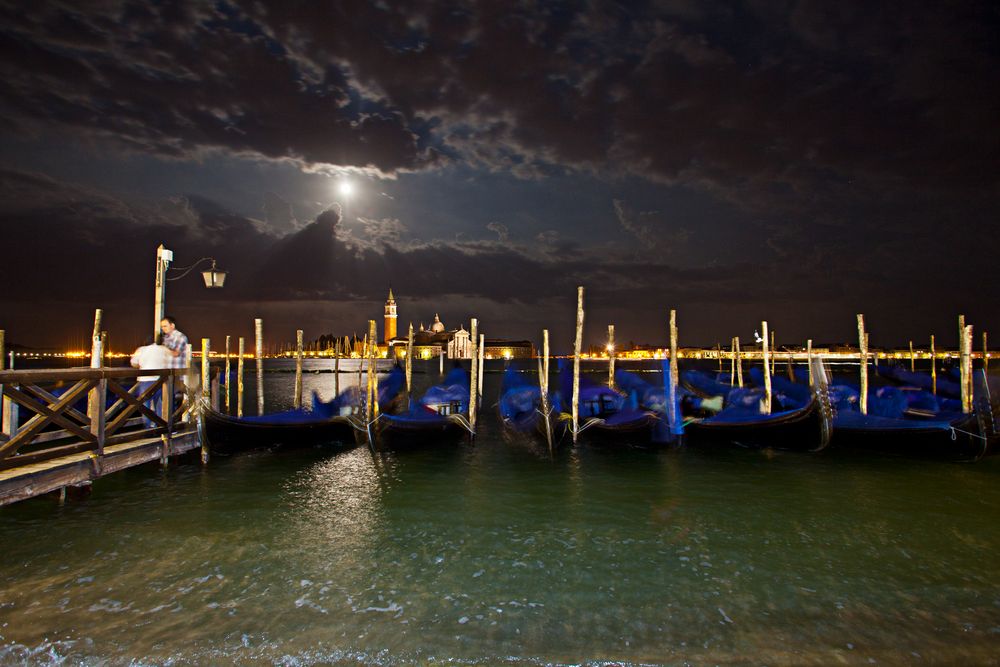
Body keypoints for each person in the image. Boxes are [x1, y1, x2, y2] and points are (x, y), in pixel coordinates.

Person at [131, 335, 168, 427]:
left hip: (145, 380)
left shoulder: (141, 350)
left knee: (145, 405)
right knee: (159, 404)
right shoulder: (163, 349)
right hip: (159, 380)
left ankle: (147, 427)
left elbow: (134, 363)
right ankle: (161, 425)